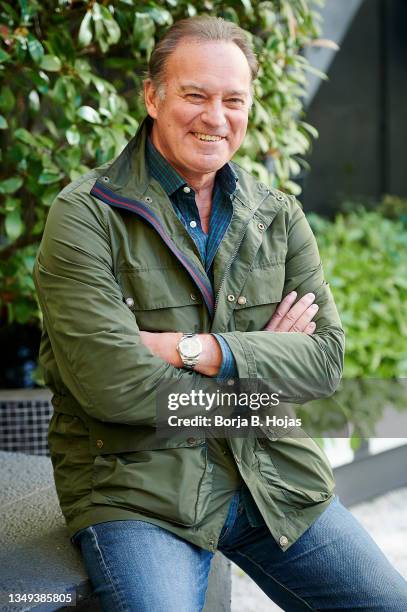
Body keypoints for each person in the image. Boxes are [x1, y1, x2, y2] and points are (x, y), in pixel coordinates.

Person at [33, 15, 407, 612]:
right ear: (152, 97)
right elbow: (116, 390)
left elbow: (326, 363)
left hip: (273, 477)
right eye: (195, 95)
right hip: (141, 491)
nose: (215, 117)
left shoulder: (276, 215)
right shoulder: (86, 217)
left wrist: (199, 350)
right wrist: (263, 375)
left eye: (234, 99)